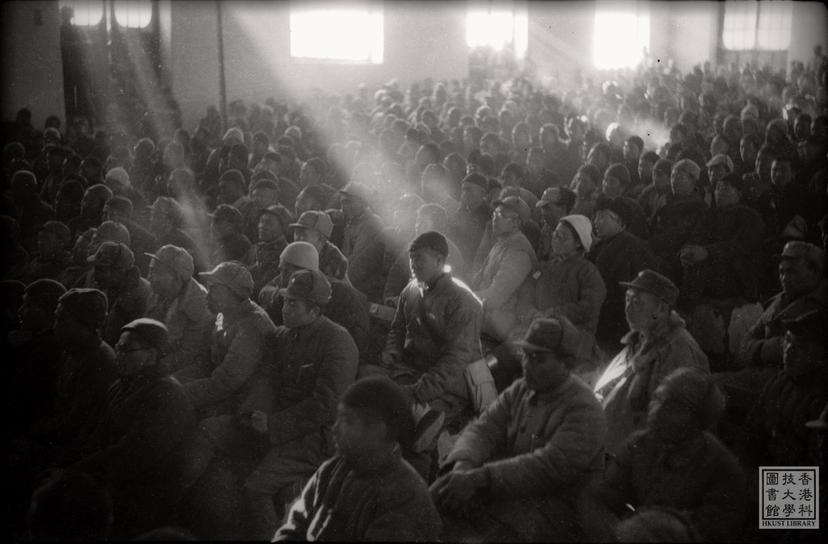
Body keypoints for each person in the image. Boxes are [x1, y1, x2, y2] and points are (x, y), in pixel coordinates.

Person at [431, 317, 606, 542]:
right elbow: (484, 428)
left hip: (558, 506)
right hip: (508, 486)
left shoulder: (584, 409)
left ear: (567, 363)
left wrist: (480, 478)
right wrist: (464, 465)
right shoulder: (522, 389)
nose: (527, 364)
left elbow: (548, 467)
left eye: (538, 358)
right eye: (525, 355)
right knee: (435, 497)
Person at [239, 269, 358, 539]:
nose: (284, 307)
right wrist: (254, 412)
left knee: (255, 489)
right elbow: (267, 379)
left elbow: (326, 405)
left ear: (315, 311)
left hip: (319, 436)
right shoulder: (284, 336)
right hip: (289, 427)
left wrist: (273, 424)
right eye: (285, 300)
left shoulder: (338, 342)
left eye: (293, 303)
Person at [66, 318, 197, 539]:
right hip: (113, 481)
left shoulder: (167, 394)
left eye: (126, 349)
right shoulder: (122, 385)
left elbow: (135, 453)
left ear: (152, 355)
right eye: (117, 346)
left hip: (142, 495)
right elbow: (96, 435)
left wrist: (76, 474)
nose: (118, 353)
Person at [274, 377, 442, 541]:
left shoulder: (405, 497)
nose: (335, 428)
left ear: (378, 430)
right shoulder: (331, 469)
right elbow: (295, 527)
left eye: (348, 421)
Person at [592, 368, 746, 543]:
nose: (657, 410)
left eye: (673, 406)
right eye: (657, 398)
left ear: (698, 420)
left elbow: (711, 530)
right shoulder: (639, 445)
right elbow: (604, 499)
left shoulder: (722, 469)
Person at [594, 270, 709, 455]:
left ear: (661, 310)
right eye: (628, 299)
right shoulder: (638, 340)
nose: (628, 307)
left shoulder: (678, 349)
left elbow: (673, 421)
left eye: (638, 301)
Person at [380, 232, 484, 434]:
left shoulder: (463, 301)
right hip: (409, 372)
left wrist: (419, 391)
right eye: (411, 258)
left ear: (439, 260)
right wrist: (391, 353)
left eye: (419, 258)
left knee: (406, 426)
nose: (413, 265)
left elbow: (456, 358)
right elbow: (398, 328)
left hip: (446, 389)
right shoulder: (410, 291)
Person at [175, 261, 277, 418]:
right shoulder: (224, 314)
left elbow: (224, 383)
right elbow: (206, 362)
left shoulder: (252, 325)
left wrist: (177, 392)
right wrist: (171, 381)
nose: (207, 295)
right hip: (227, 392)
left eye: (214, 289)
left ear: (232, 292)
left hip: (245, 403)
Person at [517, 214, 605, 377]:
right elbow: (525, 296)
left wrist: (551, 314)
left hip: (573, 340)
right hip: (537, 331)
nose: (556, 239)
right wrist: (531, 314)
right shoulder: (543, 267)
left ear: (578, 243)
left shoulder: (588, 272)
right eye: (555, 234)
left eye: (563, 237)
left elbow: (588, 308)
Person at [590, 195, 658, 355]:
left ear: (619, 221)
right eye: (595, 217)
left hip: (618, 325)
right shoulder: (600, 246)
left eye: (602, 217)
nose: (596, 222)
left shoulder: (631, 247)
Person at [472, 198, 537, 343]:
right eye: (494, 214)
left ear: (517, 223)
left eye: (501, 216)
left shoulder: (519, 253)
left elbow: (495, 298)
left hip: (499, 330)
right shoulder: (502, 243)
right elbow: (480, 278)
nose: (495, 219)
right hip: (486, 321)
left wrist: (463, 298)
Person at [145, 244, 214, 373]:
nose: (149, 277)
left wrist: (151, 367)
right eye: (150, 270)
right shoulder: (157, 292)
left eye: (156, 272)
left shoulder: (200, 305)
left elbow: (187, 354)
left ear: (177, 277)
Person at [647, 158, 709, 285]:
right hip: (655, 250)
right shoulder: (665, 200)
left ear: (693, 181)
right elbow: (651, 228)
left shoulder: (699, 208)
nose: (674, 181)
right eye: (673, 176)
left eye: (680, 177)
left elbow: (696, 238)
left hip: (675, 257)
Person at [87, 241, 152, 347]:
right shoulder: (104, 286)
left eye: (101, 270)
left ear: (120, 271)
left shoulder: (143, 295)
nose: (95, 275)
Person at [339, 183, 386, 302]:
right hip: (351, 282)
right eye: (343, 202)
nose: (344, 207)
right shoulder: (352, 222)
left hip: (367, 289)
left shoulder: (371, 224)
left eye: (349, 202)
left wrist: (340, 284)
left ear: (363, 203)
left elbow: (360, 264)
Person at [290, 209, 349, 282]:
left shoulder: (335, 260)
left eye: (303, 234)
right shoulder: (294, 251)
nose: (298, 238)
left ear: (321, 239)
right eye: (296, 233)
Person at [247, 204, 291, 294]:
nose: (262, 226)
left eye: (269, 223)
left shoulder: (285, 254)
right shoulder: (256, 248)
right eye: (261, 221)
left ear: (283, 227)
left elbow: (263, 286)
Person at [449, 173, 491, 265]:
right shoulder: (459, 212)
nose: (464, 193)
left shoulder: (489, 215)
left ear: (482, 192)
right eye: (463, 189)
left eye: (469, 190)